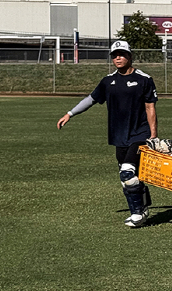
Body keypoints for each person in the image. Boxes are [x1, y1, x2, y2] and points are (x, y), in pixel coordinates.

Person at [57, 40, 158, 228]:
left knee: (127, 172)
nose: (118, 58)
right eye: (114, 55)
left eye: (121, 54)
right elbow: (91, 99)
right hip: (118, 135)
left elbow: (150, 107)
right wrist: (70, 113)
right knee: (128, 178)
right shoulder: (108, 81)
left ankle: (138, 214)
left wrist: (153, 135)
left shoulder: (144, 79)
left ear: (130, 56)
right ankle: (142, 208)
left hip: (140, 134)